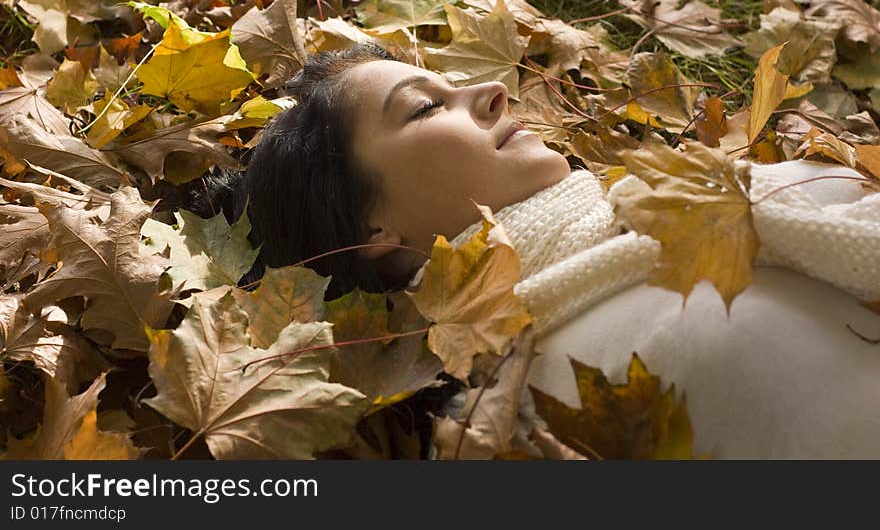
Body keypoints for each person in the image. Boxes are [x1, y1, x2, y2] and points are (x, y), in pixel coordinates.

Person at [189, 43, 880, 459]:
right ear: (374, 232)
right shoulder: (518, 423)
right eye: (426, 107)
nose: (492, 90)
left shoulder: (669, 200)